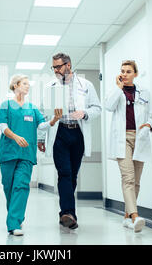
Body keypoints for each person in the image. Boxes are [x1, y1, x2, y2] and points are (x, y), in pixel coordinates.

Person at [38, 53, 101, 229]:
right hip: (59, 133)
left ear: (69, 65)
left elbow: (97, 108)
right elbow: (43, 114)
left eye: (58, 67)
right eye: (54, 67)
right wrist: (41, 137)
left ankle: (65, 213)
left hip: (78, 133)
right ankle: (69, 213)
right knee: (64, 173)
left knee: (72, 175)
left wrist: (85, 113)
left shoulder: (86, 85)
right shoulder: (50, 87)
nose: (56, 70)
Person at [0, 74, 62, 236]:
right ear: (15, 85)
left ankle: (13, 223)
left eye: (28, 84)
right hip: (8, 153)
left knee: (21, 186)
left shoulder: (32, 107)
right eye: (24, 83)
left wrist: (54, 120)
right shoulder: (6, 105)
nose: (27, 86)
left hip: (27, 153)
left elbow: (42, 125)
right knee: (8, 187)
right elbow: (3, 127)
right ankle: (16, 215)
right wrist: (16, 137)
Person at [104, 60, 152, 233]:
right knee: (128, 178)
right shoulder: (116, 92)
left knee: (137, 182)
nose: (124, 74)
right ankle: (135, 216)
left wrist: (148, 125)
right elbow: (108, 106)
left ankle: (127, 217)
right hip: (122, 139)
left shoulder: (145, 92)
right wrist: (118, 88)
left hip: (139, 138)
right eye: (122, 71)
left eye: (128, 71)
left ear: (135, 74)